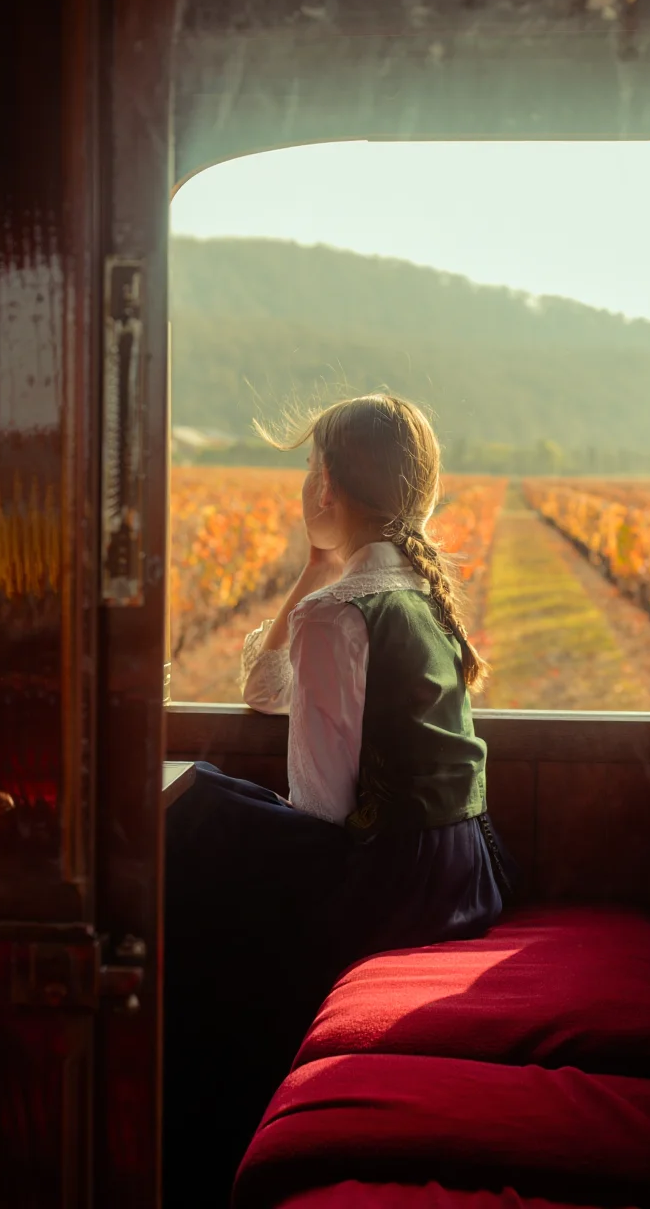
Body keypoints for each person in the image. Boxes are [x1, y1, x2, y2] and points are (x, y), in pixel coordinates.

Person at [163, 394, 514, 1205]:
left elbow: (319, 813)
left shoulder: (336, 616)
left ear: (323, 488)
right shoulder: (410, 595)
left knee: (196, 821)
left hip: (392, 884)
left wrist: (316, 586)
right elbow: (263, 692)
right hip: (468, 869)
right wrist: (315, 570)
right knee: (211, 811)